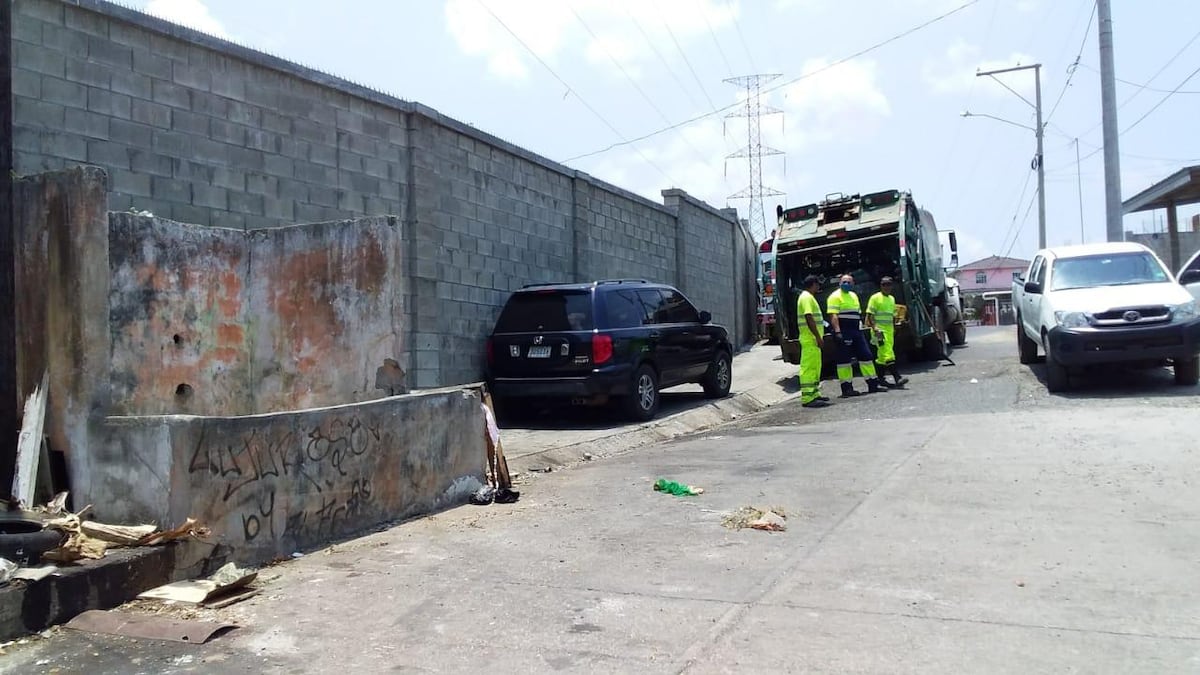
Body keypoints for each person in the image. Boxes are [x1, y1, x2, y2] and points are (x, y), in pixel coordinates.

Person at [827, 273, 888, 397]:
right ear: (839, 283)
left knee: (866, 356)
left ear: (853, 284)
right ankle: (847, 389)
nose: (846, 284)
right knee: (844, 360)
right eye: (844, 282)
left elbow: (857, 314)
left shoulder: (853, 296)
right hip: (844, 331)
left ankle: (873, 384)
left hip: (856, 331)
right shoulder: (834, 296)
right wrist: (838, 332)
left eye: (849, 282)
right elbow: (833, 315)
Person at [865, 277, 909, 388]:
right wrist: (875, 328)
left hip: (889, 331)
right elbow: (870, 315)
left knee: (881, 357)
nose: (886, 287)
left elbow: (893, 315)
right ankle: (897, 377)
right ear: (881, 286)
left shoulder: (891, 299)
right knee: (888, 354)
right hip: (879, 331)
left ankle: (880, 379)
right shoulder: (875, 298)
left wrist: (894, 327)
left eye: (889, 284)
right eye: (884, 284)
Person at [796, 275, 830, 408]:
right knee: (809, 368)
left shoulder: (808, 297)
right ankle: (808, 397)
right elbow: (809, 317)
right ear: (813, 284)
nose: (819, 286)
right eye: (818, 284)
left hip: (812, 340)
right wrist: (817, 336)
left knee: (815, 367)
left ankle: (814, 394)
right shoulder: (806, 298)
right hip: (810, 339)